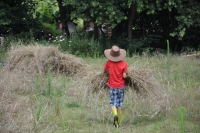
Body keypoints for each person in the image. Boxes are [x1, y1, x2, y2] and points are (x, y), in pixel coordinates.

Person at [103, 45, 128, 128]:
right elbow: (124, 76)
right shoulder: (124, 64)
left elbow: (104, 70)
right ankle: (117, 123)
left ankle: (115, 115)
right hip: (121, 86)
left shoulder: (109, 62)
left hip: (112, 86)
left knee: (112, 103)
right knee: (120, 104)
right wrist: (127, 75)